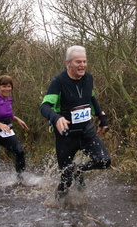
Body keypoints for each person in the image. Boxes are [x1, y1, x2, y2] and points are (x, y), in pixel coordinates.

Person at [39, 45, 111, 199]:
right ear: (68, 63)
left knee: (104, 161)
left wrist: (102, 118)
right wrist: (56, 117)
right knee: (66, 181)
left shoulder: (88, 78)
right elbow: (44, 106)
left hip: (86, 133)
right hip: (66, 136)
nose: (82, 65)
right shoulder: (58, 81)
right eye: (78, 62)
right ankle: (57, 209)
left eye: (84, 62)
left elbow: (91, 99)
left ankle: (77, 169)